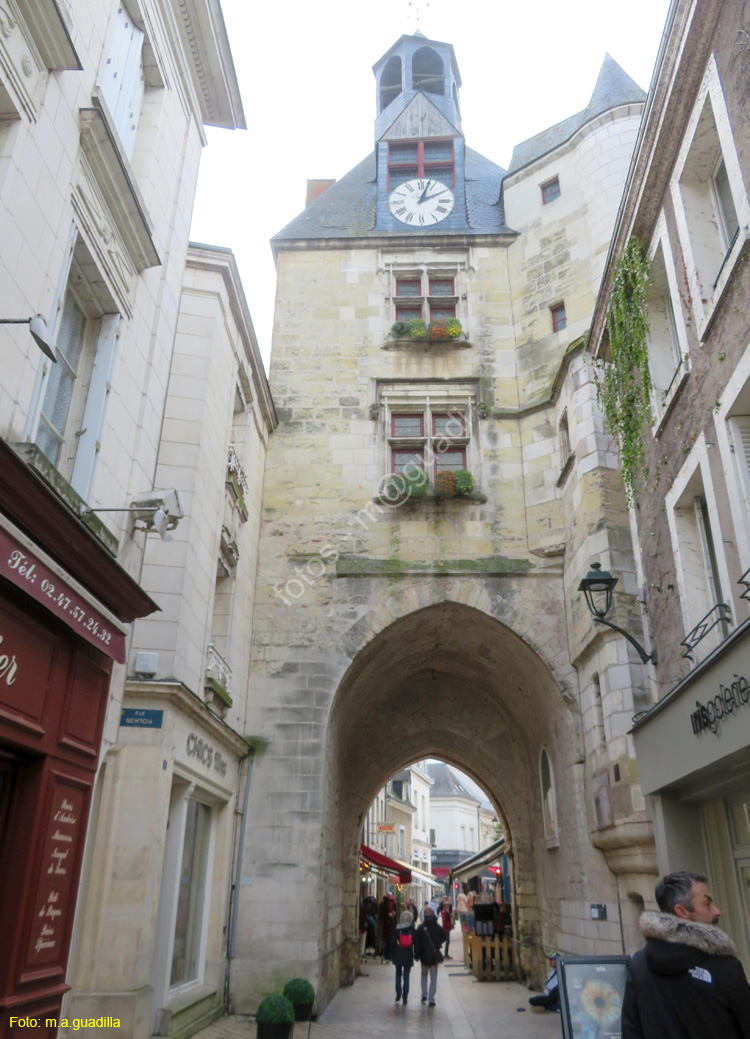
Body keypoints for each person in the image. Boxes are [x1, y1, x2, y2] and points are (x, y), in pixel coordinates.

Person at [622, 870, 750, 1039]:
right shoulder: (725, 967)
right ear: (682, 911)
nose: (717, 911)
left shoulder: (639, 964)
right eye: (707, 904)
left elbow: (631, 1032)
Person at [415, 905, 445, 1007]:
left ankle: (424, 994)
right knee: (433, 977)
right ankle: (431, 999)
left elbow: (417, 943)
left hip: (424, 956)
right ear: (433, 914)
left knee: (424, 975)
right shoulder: (437, 927)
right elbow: (443, 937)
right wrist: (437, 945)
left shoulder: (420, 928)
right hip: (433, 956)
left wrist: (417, 954)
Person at [388, 910, 416, 1005]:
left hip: (398, 954)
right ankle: (405, 997)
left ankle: (398, 994)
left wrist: (391, 953)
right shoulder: (412, 930)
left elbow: (392, 942)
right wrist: (416, 954)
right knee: (406, 975)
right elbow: (416, 943)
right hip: (408, 954)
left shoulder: (397, 929)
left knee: (398, 974)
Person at [380, 892, 397, 962]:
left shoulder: (383, 903)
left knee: (386, 940)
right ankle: (389, 954)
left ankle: (385, 954)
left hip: (385, 924)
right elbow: (396, 912)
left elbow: (381, 913)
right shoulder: (393, 902)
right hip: (391, 924)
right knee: (390, 940)